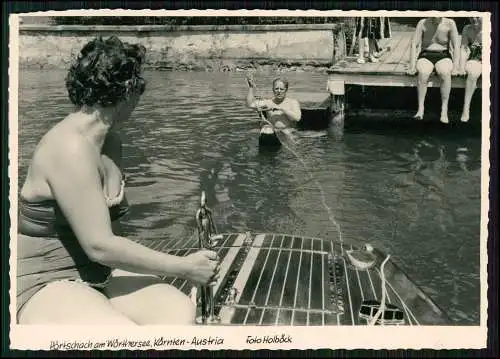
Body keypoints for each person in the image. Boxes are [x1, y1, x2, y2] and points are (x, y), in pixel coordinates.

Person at [16, 36, 220, 325]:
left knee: (177, 312)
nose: (141, 94)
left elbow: (109, 238)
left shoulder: (111, 143)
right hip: (46, 277)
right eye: (140, 86)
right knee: (118, 332)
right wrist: (185, 267)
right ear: (127, 91)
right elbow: (99, 245)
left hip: (100, 271)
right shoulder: (69, 147)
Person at [407, 17, 460, 124]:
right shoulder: (422, 22)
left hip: (443, 55)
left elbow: (457, 46)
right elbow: (414, 44)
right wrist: (412, 66)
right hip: (426, 54)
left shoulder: (450, 23)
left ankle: (444, 110)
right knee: (423, 72)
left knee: (445, 73)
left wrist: (455, 67)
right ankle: (420, 108)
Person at [245, 74, 301, 144]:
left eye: (282, 89)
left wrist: (281, 109)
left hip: (288, 130)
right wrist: (251, 88)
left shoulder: (293, 102)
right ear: (273, 90)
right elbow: (250, 104)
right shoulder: (268, 102)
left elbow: (297, 118)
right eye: (276, 89)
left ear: (286, 90)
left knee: (294, 142)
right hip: (272, 130)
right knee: (249, 133)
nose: (279, 91)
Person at [458, 17, 483, 123]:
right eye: (471, 16)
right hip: (475, 58)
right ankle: (466, 107)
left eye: (478, 17)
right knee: (472, 73)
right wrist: (462, 67)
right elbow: (464, 49)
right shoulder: (467, 29)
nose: (474, 19)